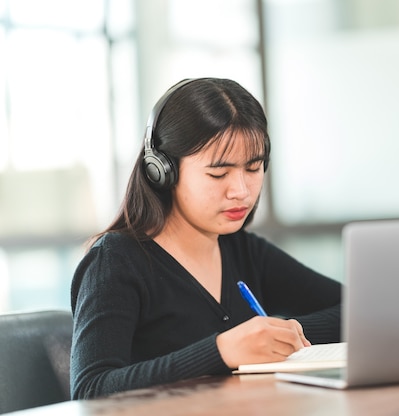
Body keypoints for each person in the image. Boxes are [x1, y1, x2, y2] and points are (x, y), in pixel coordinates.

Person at [70, 78, 342, 400]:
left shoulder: (243, 250)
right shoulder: (116, 262)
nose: (241, 191)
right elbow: (90, 390)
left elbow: (357, 312)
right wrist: (222, 350)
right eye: (218, 174)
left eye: (253, 169)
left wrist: (278, 335)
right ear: (163, 171)